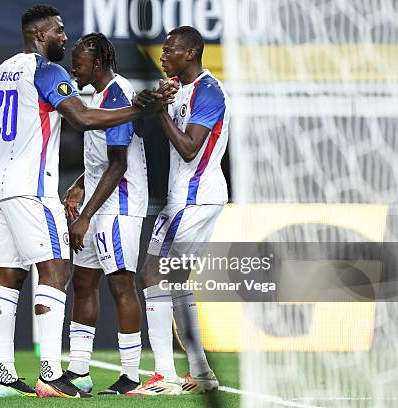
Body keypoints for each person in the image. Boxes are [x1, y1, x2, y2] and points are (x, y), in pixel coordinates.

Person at [0, 4, 174, 399]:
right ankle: (50, 372)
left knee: (8, 278)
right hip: (30, 188)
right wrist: (139, 109)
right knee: (56, 269)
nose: (65, 37)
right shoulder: (47, 71)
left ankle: (5, 376)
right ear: (40, 35)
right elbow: (82, 119)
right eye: (59, 31)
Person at [125, 26, 229, 396]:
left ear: (191, 53)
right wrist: (154, 104)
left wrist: (162, 114)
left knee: (151, 274)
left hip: (195, 197)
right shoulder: (180, 89)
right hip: (184, 197)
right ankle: (201, 373)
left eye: (170, 51)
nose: (163, 56)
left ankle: (164, 375)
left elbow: (189, 149)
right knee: (174, 281)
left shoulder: (209, 91)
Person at [62, 33, 147, 396]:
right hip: (97, 204)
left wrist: (84, 217)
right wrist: (80, 183)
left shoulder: (119, 94)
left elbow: (117, 164)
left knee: (121, 284)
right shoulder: (96, 96)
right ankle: (79, 371)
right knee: (83, 281)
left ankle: (130, 376)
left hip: (119, 206)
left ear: (97, 64)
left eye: (77, 64)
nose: (73, 69)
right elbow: (99, 161)